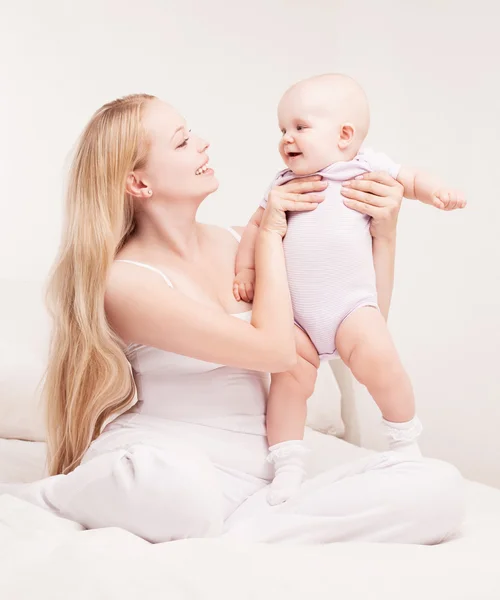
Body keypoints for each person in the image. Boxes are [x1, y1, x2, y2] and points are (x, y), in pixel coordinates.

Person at [1, 93, 464, 544]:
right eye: (182, 141)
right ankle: (67, 496)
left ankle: (241, 534)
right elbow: (277, 350)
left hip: (264, 474)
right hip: (171, 459)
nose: (203, 143)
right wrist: (270, 234)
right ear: (139, 183)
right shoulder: (125, 281)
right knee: (175, 488)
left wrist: (384, 235)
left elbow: (361, 322)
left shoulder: (238, 240)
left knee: (437, 488)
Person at [233, 73, 466, 505]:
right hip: (296, 319)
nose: (286, 138)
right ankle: (287, 465)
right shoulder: (282, 183)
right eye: (282, 129)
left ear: (344, 136)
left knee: (383, 364)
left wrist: (438, 193)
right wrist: (246, 267)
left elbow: (411, 180)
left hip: (350, 308)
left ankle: (404, 442)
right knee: (287, 383)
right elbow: (254, 225)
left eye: (299, 127)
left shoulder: (365, 166)